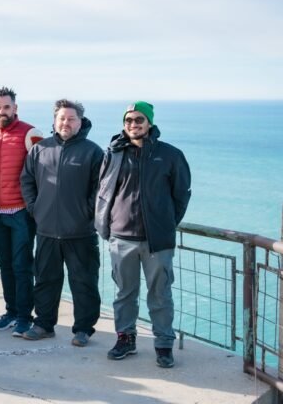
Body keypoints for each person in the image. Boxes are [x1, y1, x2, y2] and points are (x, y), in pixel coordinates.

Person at [96, 101, 191, 369]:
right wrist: (106, 225)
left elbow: (181, 195)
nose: (133, 124)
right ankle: (125, 339)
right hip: (121, 237)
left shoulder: (170, 155)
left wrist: (165, 224)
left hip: (157, 241)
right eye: (128, 120)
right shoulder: (114, 153)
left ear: (149, 122)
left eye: (139, 119)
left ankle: (163, 345)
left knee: (160, 294)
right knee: (124, 293)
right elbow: (103, 191)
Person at [20, 99, 103, 346]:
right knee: (45, 280)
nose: (65, 123)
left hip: (80, 233)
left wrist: (86, 213)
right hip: (46, 230)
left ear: (80, 122)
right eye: (61, 118)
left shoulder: (93, 152)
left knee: (84, 283)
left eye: (71, 119)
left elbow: (100, 190)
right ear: (55, 121)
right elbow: (27, 181)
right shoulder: (40, 149)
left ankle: (83, 329)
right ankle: (44, 324)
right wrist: (35, 208)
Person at [0, 87, 44, 337]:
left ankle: (24, 316)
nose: (2, 111)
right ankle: (10, 312)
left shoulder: (31, 133)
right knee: (5, 265)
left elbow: (44, 173)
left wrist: (36, 208)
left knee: (22, 266)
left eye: (6, 107)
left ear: (15, 108)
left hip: (21, 213)